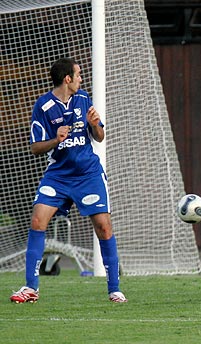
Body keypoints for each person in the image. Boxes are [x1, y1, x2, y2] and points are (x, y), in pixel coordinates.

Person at [10, 57, 127, 303]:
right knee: (38, 220)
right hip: (58, 176)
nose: (81, 78)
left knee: (104, 226)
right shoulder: (43, 106)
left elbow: (100, 137)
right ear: (67, 79)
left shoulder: (83, 99)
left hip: (88, 174)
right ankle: (31, 288)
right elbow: (35, 148)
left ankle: (114, 289)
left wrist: (95, 125)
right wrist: (56, 140)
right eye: (78, 74)